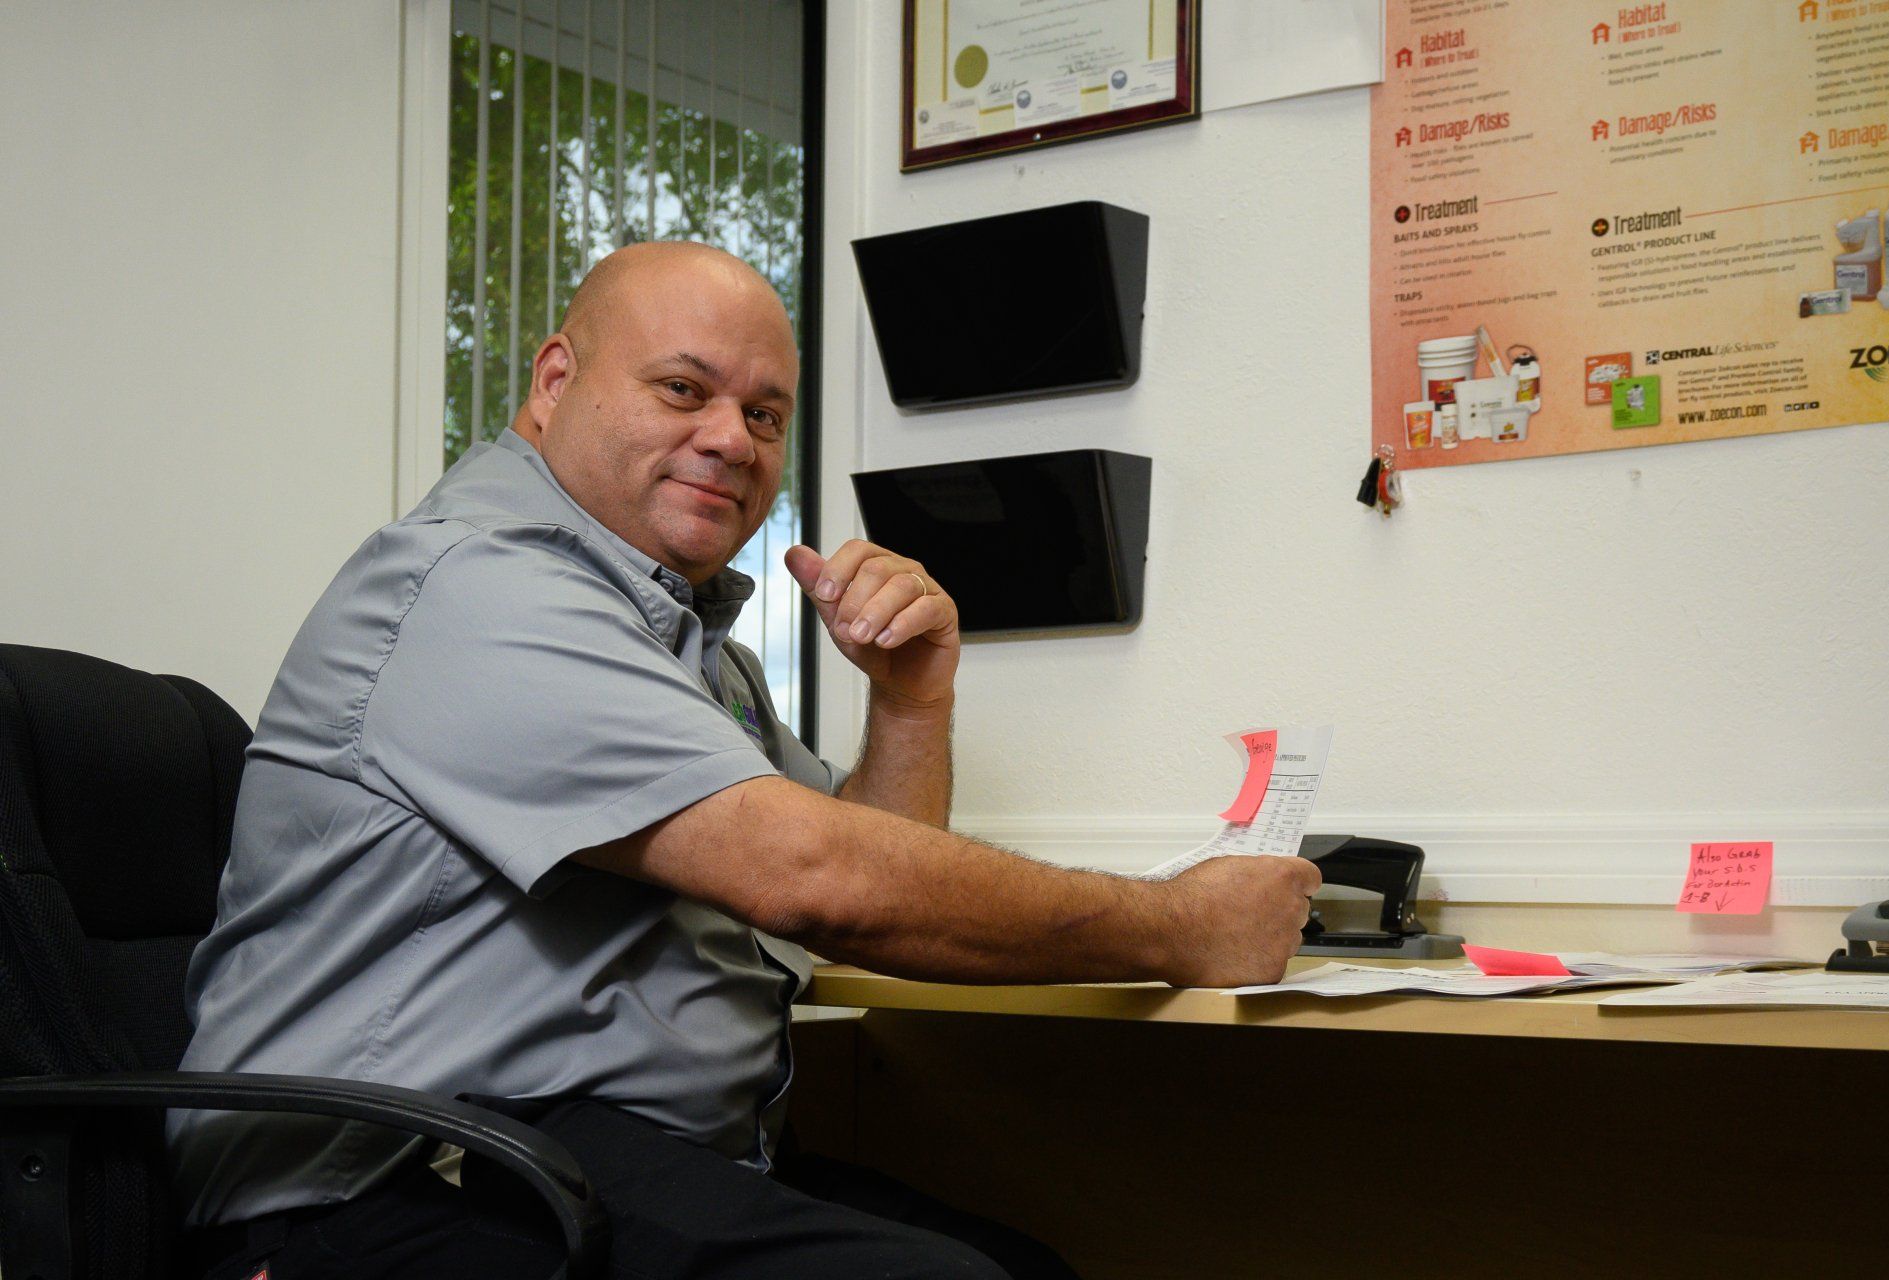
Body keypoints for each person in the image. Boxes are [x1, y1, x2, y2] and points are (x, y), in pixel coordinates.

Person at [167, 242, 1321, 1279]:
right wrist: (1180, 924)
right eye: (683, 388)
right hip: (376, 1194)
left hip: (579, 1157)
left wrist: (913, 701)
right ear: (555, 381)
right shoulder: (478, 589)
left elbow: (865, 868)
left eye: (766, 416)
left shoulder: (678, 640)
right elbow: (819, 879)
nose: (731, 437)